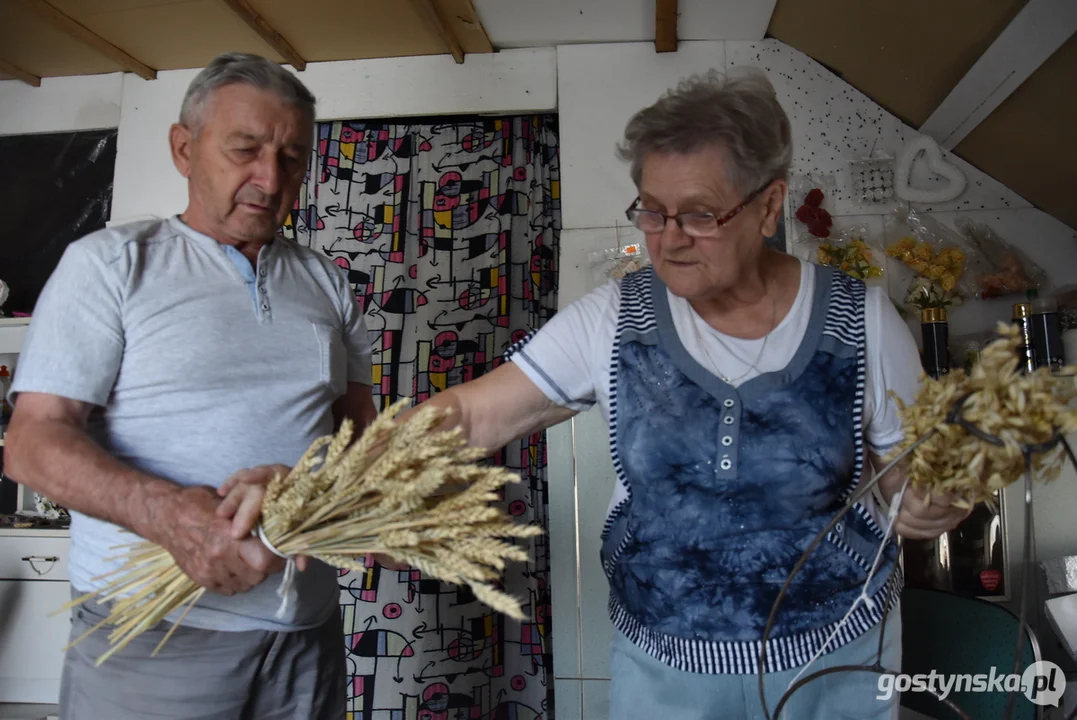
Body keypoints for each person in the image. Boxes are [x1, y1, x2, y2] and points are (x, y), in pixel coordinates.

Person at [398, 70, 971, 718]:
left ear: (766, 204)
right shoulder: (615, 316)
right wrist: (363, 472)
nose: (667, 238)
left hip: (830, 663)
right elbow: (473, 414)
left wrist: (930, 500)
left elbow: (910, 475)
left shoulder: (858, 320)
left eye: (698, 214)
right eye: (650, 209)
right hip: (665, 670)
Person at [4, 52, 377, 720]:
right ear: (183, 148)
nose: (270, 177)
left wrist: (369, 505)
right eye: (245, 149)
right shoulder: (111, 265)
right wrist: (170, 517)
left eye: (292, 157)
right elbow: (32, 444)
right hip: (152, 637)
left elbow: (359, 435)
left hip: (304, 639)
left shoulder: (325, 282)